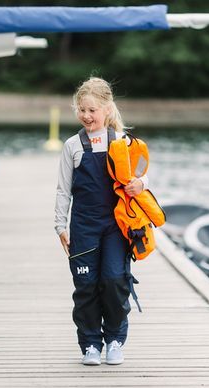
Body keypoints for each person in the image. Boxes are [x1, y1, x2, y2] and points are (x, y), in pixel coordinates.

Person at [54, 77, 147, 366]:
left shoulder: (122, 142)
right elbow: (63, 188)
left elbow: (144, 173)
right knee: (86, 285)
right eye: (82, 109)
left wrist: (140, 184)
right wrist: (60, 226)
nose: (86, 116)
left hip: (117, 226)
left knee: (114, 280)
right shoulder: (72, 145)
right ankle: (91, 345)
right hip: (83, 225)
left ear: (107, 109)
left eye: (92, 110)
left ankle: (115, 340)